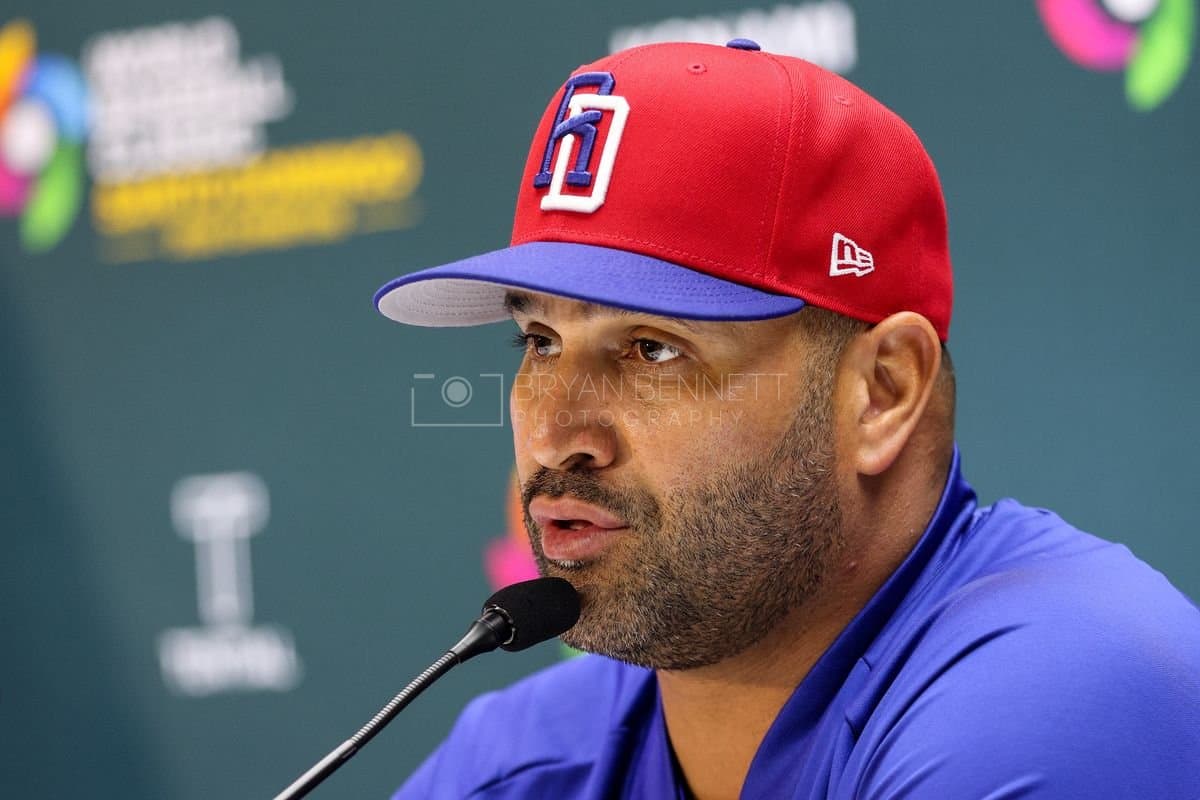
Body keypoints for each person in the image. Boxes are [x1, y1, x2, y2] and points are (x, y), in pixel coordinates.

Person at [373, 40, 1200, 799]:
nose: (555, 436)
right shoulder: (522, 761)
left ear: (882, 391)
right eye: (541, 340)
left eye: (653, 350)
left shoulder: (1056, 697)